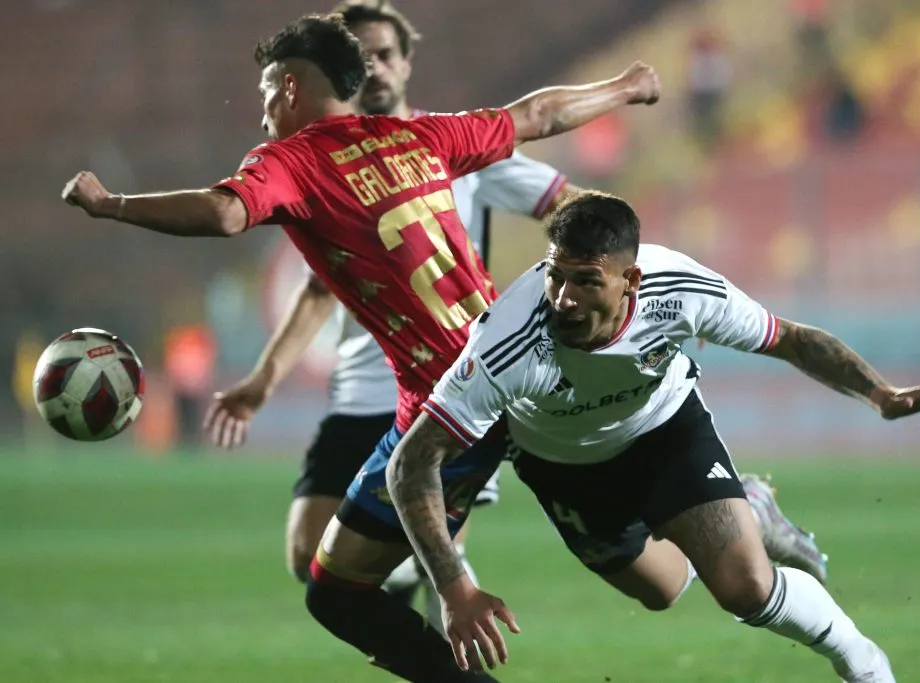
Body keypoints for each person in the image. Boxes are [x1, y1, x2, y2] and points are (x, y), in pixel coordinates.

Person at [61, 12, 661, 682]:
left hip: (450, 404)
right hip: (520, 366)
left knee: (334, 590)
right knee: (656, 578)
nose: (261, 114)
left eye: (265, 95)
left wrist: (112, 203)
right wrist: (627, 85)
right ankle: (718, 502)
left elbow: (226, 212)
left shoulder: (290, 161)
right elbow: (538, 114)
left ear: (288, 87)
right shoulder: (418, 136)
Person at [203, 0, 826, 632]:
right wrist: (264, 377)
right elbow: (316, 292)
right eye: (359, 56)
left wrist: (603, 285)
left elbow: (567, 196)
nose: (372, 69)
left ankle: (730, 511)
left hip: (472, 386)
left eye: (383, 54)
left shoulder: (444, 142)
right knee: (312, 557)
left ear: (405, 63)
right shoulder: (310, 172)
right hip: (365, 388)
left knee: (466, 561)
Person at [382, 191, 920, 680]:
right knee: (661, 591)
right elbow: (410, 463)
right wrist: (455, 587)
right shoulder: (507, 342)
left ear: (630, 280)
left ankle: (866, 665)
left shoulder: (680, 290)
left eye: (586, 281)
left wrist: (880, 396)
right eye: (555, 277)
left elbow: (790, 339)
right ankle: (753, 507)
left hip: (666, 432)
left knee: (744, 587)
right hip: (564, 466)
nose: (563, 299)